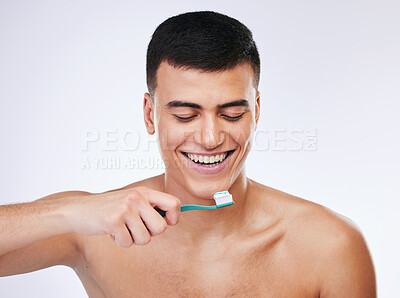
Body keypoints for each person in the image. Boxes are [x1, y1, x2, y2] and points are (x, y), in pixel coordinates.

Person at [0, 11, 376, 297]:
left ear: (256, 112)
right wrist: (70, 210)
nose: (210, 138)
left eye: (232, 113)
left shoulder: (331, 247)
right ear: (150, 115)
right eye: (185, 115)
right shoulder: (92, 231)